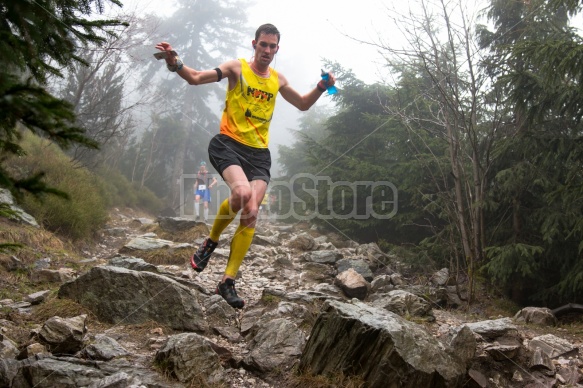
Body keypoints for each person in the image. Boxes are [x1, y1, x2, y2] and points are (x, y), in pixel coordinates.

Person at [155, 23, 336, 309]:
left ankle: (227, 281)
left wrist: (320, 87)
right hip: (227, 144)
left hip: (259, 156)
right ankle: (210, 242)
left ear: (278, 49)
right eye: (262, 44)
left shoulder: (277, 80)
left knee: (251, 210)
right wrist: (174, 62)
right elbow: (196, 78)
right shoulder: (236, 69)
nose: (267, 50)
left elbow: (302, 104)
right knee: (241, 194)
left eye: (272, 46)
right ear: (254, 44)